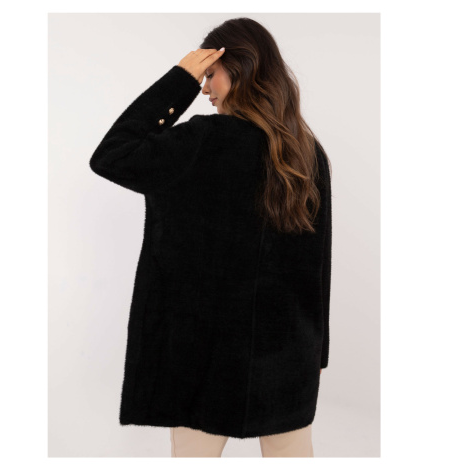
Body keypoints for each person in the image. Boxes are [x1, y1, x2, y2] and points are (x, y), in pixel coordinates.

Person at [90, 17, 332, 458]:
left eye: (209, 74)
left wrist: (179, 80)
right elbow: (319, 265)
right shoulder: (306, 152)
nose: (204, 89)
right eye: (199, 78)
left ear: (239, 69)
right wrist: (318, 353)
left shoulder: (201, 141)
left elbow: (112, 155)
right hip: (287, 353)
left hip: (202, 358)